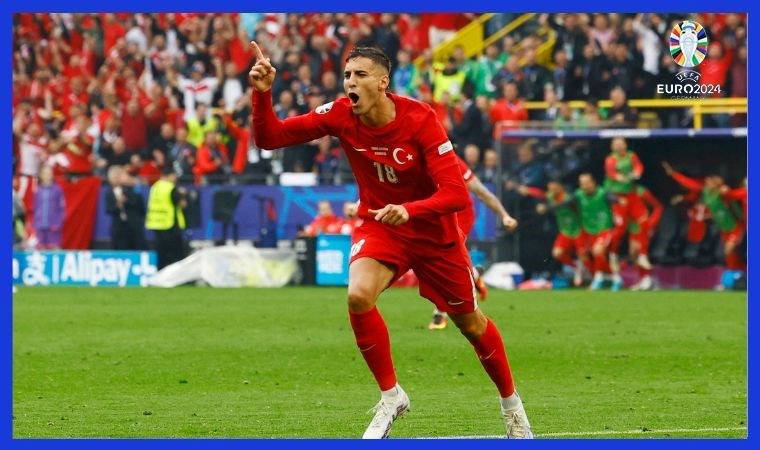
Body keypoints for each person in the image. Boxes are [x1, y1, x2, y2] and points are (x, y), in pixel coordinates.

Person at [249, 42, 532, 439]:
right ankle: (391, 396)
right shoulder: (341, 114)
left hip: (433, 232)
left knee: (470, 324)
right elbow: (270, 137)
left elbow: (456, 194)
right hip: (380, 224)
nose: (351, 82)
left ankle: (511, 406)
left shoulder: (420, 119)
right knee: (358, 295)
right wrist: (262, 94)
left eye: (360, 75)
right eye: (347, 75)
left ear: (383, 82)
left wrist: (410, 210)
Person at [428, 154, 518, 330]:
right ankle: (475, 274)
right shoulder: (413, 158)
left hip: (459, 216)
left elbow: (482, 192)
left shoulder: (450, 161)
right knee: (439, 264)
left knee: (445, 262)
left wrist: (504, 215)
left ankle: (440, 313)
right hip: (436, 216)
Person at [662, 162, 745, 273]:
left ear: (718, 182)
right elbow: (690, 184)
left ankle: (739, 273)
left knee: (729, 251)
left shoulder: (723, 193)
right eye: (708, 179)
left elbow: (738, 194)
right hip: (724, 228)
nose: (707, 180)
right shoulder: (705, 190)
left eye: (712, 179)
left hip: (734, 227)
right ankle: (738, 273)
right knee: (730, 254)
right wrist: (674, 174)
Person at [525, 181, 589, 287]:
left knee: (583, 255)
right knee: (557, 253)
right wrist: (529, 190)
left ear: (560, 187)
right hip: (565, 231)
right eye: (550, 188)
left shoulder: (569, 197)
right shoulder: (551, 196)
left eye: (554, 188)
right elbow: (541, 194)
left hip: (578, 229)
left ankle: (591, 275)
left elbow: (562, 204)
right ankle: (577, 267)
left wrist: (546, 208)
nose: (552, 191)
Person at [576, 173, 622, 291]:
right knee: (593, 254)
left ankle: (598, 278)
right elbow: (565, 203)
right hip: (589, 231)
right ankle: (616, 278)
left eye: (587, 182)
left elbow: (613, 198)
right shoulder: (579, 195)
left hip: (605, 229)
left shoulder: (603, 193)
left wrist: (618, 200)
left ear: (593, 183)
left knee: (598, 250)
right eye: (582, 183)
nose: (585, 185)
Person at [603, 137, 644, 271]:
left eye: (621, 144)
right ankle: (613, 254)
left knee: (641, 222)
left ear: (625, 145)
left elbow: (638, 166)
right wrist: (619, 177)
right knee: (621, 227)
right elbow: (611, 173)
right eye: (616, 144)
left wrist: (637, 172)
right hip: (617, 196)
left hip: (630, 195)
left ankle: (642, 253)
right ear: (612, 147)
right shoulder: (610, 159)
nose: (619, 146)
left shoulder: (631, 155)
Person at [145, 167, 187, 270]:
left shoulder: (155, 187)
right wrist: (182, 195)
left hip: (156, 224)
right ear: (170, 175)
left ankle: (160, 274)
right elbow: (181, 204)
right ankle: (176, 275)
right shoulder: (170, 187)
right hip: (170, 224)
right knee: (176, 254)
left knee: (161, 254)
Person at [626, 184, 663, 291]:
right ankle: (644, 279)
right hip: (633, 226)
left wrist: (651, 222)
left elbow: (658, 206)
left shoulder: (641, 191)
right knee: (633, 253)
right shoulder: (620, 193)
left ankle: (647, 279)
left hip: (644, 224)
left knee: (641, 253)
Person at [105, 165, 147, 250]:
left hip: (134, 226)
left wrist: (126, 200)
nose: (115, 179)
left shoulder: (131, 189)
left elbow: (140, 206)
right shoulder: (108, 192)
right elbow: (109, 209)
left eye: (117, 176)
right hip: (118, 227)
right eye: (113, 177)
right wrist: (118, 204)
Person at [32, 165, 65, 250]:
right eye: (45, 173)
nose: (47, 175)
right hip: (40, 225)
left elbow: (62, 208)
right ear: (41, 175)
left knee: (54, 248)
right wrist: (35, 223)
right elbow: (34, 208)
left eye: (49, 173)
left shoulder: (57, 190)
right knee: (40, 249)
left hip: (53, 226)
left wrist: (58, 222)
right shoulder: (37, 190)